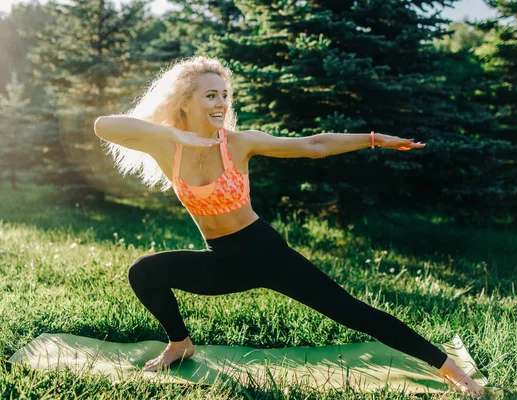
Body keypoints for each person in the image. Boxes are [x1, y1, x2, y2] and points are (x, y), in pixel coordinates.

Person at [94, 55, 485, 397]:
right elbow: (103, 126)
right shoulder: (167, 146)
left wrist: (373, 139)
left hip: (267, 254)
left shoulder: (238, 143)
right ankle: (180, 343)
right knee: (144, 272)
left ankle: (448, 368)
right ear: (185, 101)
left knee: (352, 311)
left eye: (224, 94)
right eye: (210, 95)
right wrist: (173, 134)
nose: (221, 103)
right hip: (222, 261)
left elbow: (313, 145)